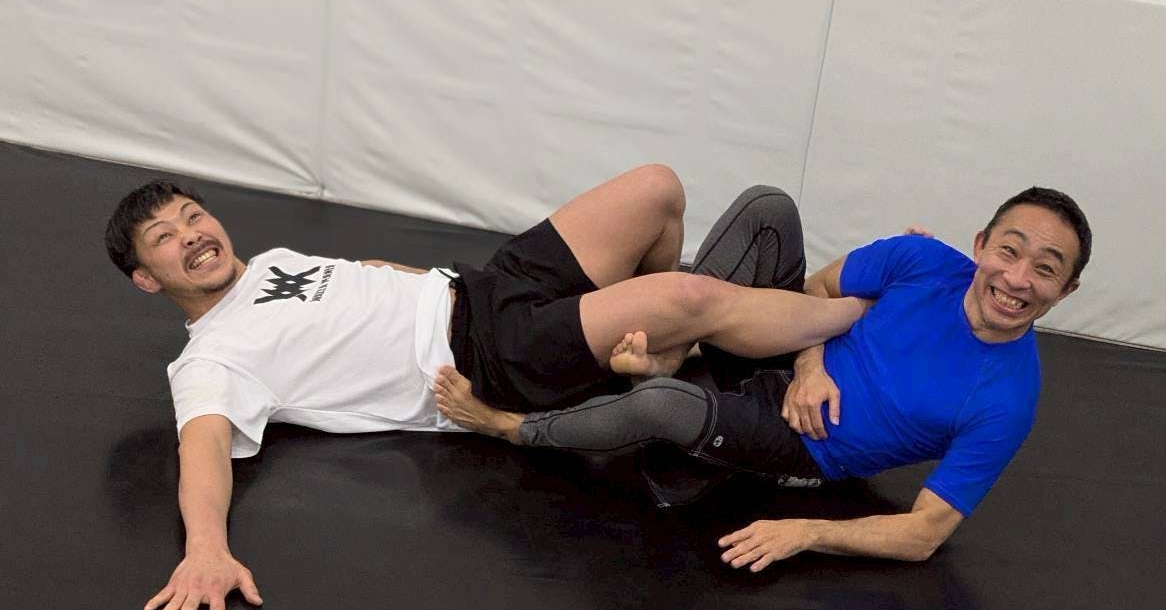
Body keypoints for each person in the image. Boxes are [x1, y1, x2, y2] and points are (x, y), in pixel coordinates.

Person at [103, 165, 866, 610]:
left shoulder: (269, 263)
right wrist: (205, 548)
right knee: (689, 295)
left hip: (487, 287)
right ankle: (874, 308)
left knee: (658, 189)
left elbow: (364, 276)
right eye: (164, 238)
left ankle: (652, 368)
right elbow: (202, 447)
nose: (191, 234)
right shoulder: (213, 357)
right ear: (145, 279)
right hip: (488, 357)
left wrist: (425, 280)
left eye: (192, 216)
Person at [434, 186, 1092, 572]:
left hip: (804, 443)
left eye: (1045, 269)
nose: (1017, 278)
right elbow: (818, 290)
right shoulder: (920, 258)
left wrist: (806, 530)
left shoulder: (1007, 399)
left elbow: (923, 534)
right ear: (981, 245)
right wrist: (810, 363)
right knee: (767, 209)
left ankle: (510, 425)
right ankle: (677, 350)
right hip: (795, 357)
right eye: (1009, 251)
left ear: (1065, 290)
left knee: (662, 406)